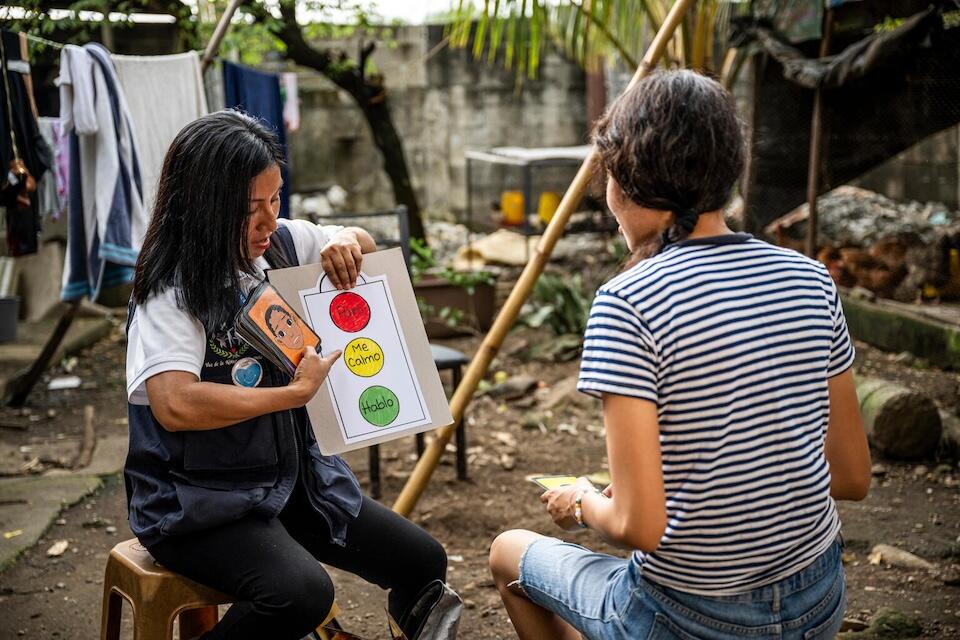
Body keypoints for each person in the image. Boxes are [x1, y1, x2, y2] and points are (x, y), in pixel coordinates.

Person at [489, 70, 872, 640]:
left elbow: (638, 526)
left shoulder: (629, 301)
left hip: (690, 618)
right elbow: (851, 476)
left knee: (507, 552)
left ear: (632, 179)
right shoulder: (809, 277)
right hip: (817, 601)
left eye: (609, 175)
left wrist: (583, 500)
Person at [124, 110, 449, 640]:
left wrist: (345, 239)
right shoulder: (170, 291)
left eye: (276, 200)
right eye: (251, 209)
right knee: (299, 594)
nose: (269, 220)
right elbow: (175, 404)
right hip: (198, 505)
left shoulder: (279, 245)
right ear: (204, 206)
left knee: (422, 562)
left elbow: (361, 242)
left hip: (296, 485)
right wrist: (294, 395)